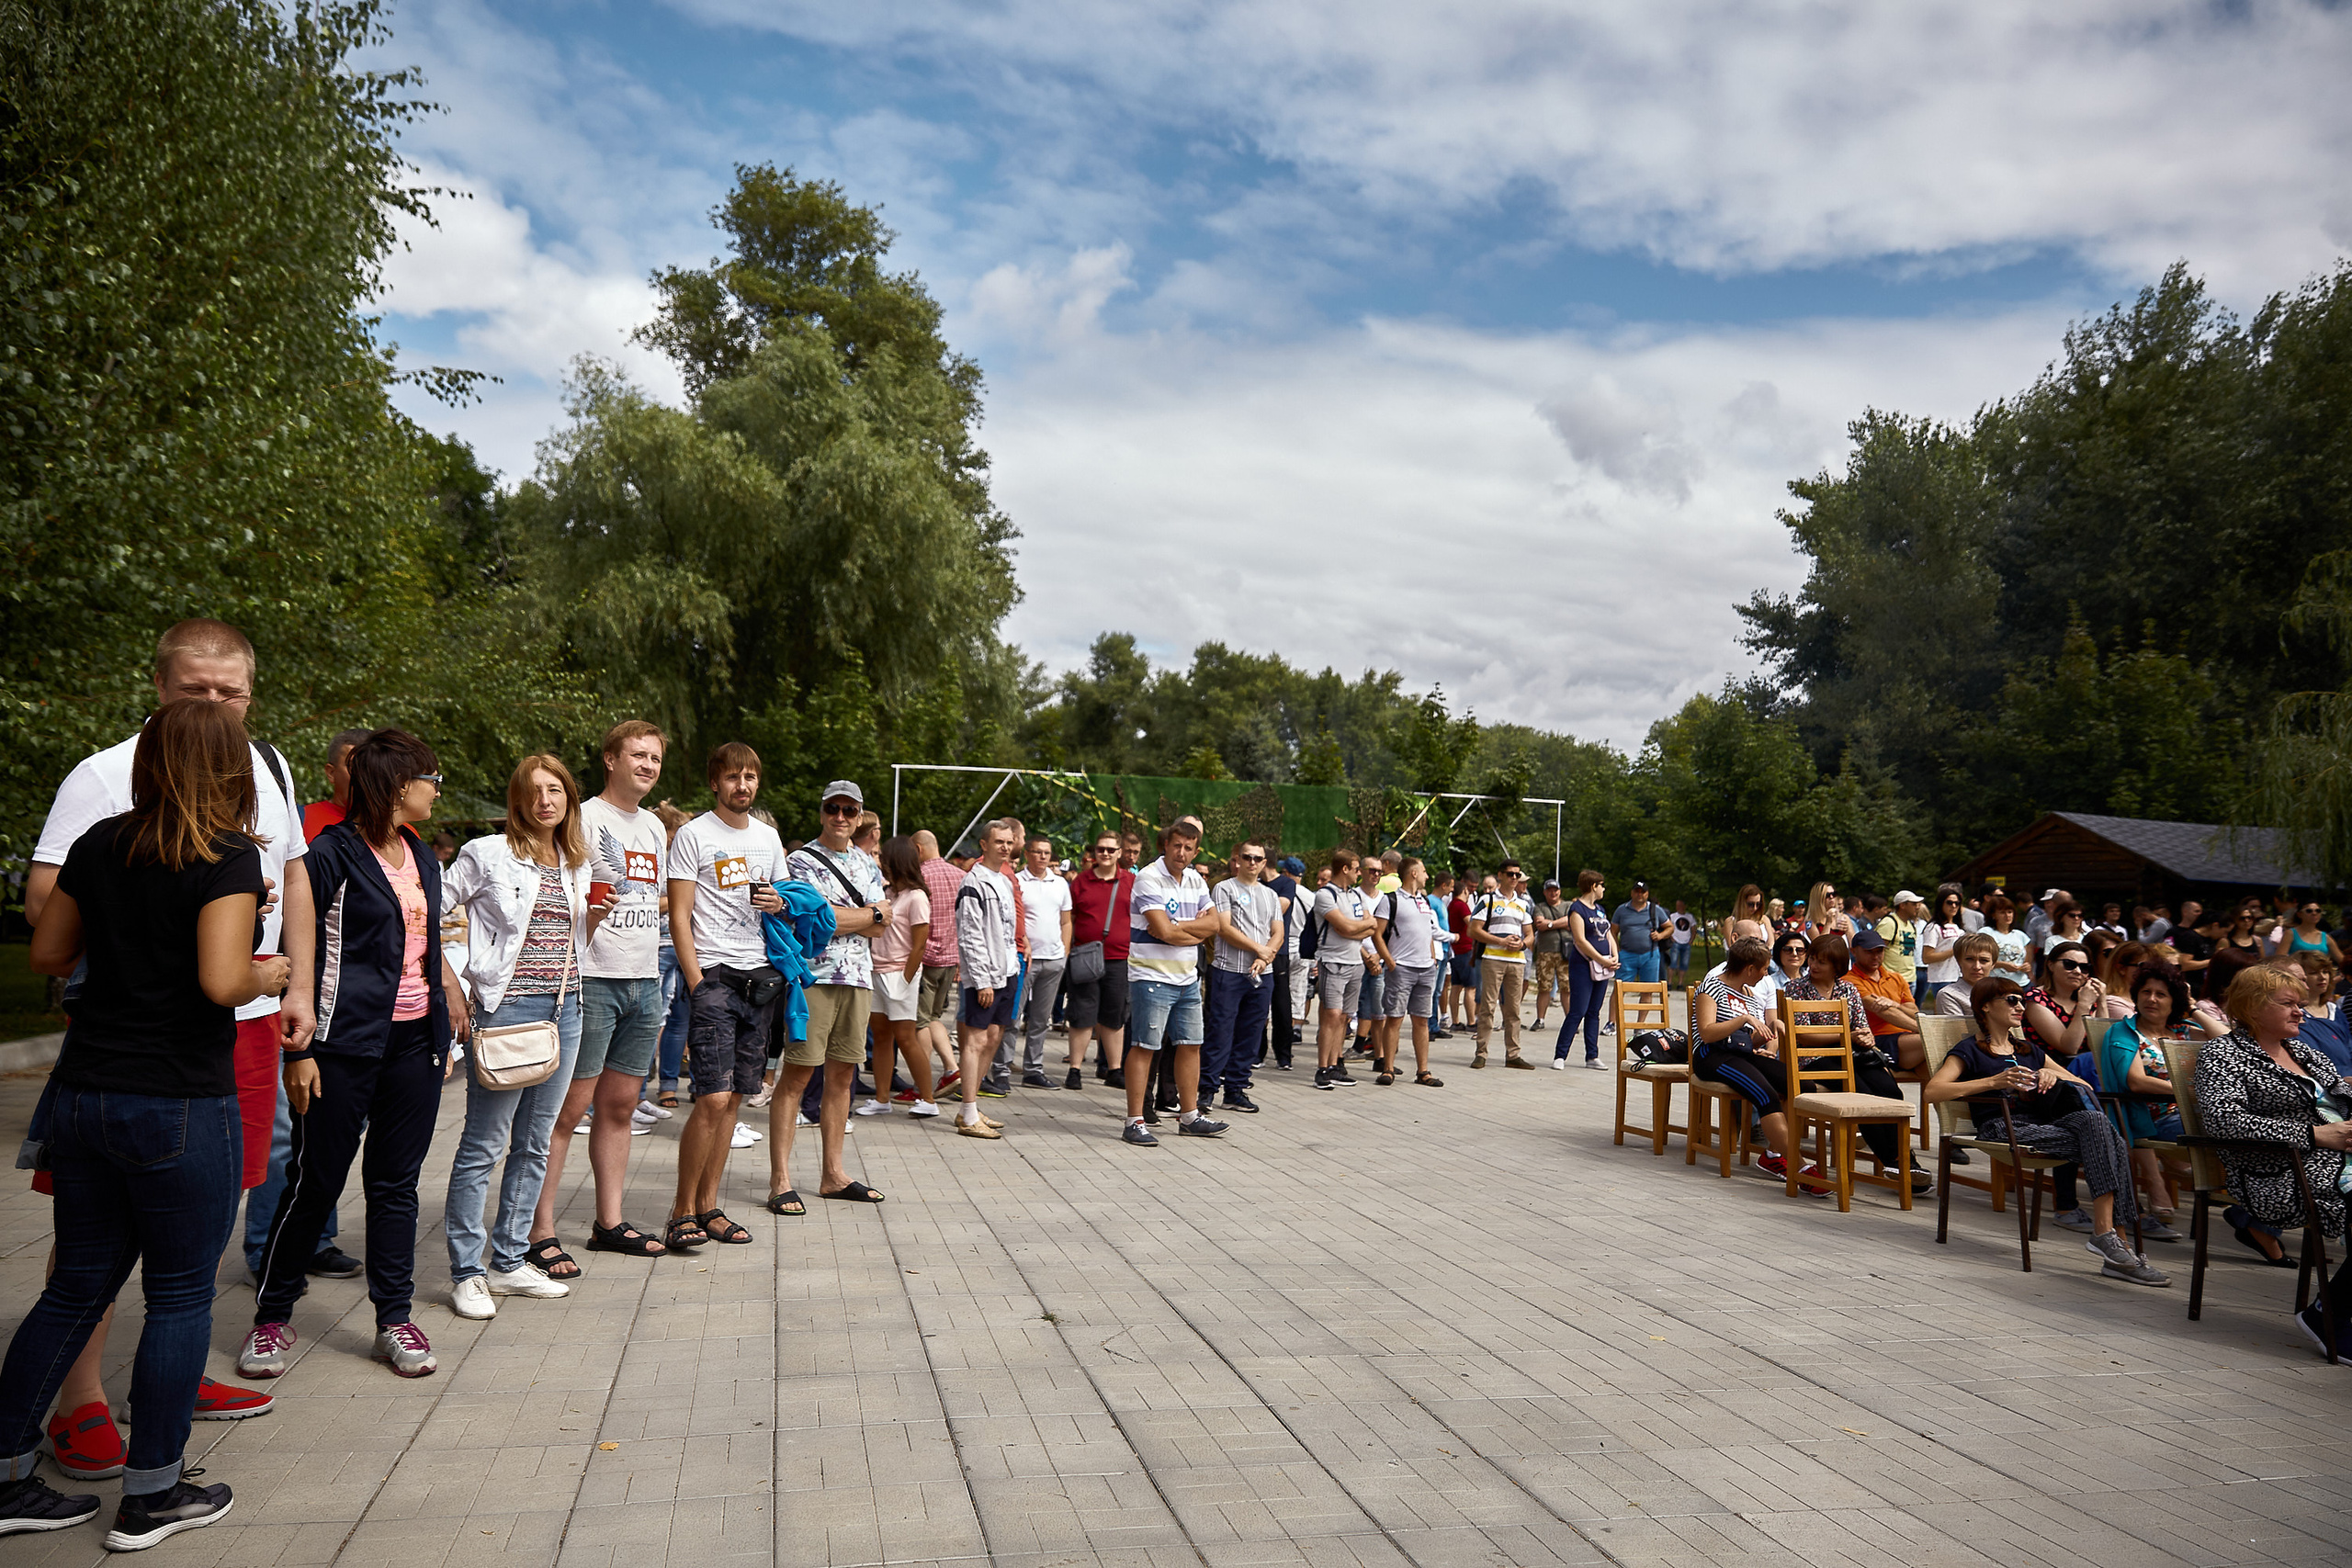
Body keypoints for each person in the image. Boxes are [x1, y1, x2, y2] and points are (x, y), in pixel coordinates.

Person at [1, 700, 290, 1546]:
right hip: (179, 1101)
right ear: (233, 767)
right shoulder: (229, 855)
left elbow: (50, 954)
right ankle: (154, 1493)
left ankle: (11, 1476)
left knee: (75, 1284)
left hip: (84, 1093)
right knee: (178, 1297)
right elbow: (219, 981)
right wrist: (268, 968)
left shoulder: (99, 844)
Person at [245, 728, 471, 1382]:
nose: (435, 788)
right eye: (432, 777)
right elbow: (301, 947)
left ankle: (392, 1317)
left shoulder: (421, 855)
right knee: (317, 1180)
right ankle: (271, 1317)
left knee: (395, 1185)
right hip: (342, 1044)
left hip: (413, 1043)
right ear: (398, 784)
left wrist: (442, 1020)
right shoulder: (330, 853)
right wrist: (302, 1050)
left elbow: (424, 950)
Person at [438, 755, 601, 1321]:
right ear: (517, 801)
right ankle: (467, 1271)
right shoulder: (487, 853)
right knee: (483, 1145)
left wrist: (594, 920)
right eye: (533, 792)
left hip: (568, 1009)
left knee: (537, 1141)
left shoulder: (577, 860)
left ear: (569, 799)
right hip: (507, 1010)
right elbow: (425, 911)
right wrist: (452, 984)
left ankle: (509, 1260)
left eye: (555, 790)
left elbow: (570, 939)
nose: (545, 802)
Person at [532, 720, 675, 1280]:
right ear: (610, 759)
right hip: (590, 978)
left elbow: (654, 900)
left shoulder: (656, 828)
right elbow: (557, 893)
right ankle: (538, 1229)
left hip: (644, 979)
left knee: (618, 1109)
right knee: (565, 1112)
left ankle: (607, 1223)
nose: (647, 765)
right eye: (637, 755)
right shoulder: (582, 816)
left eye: (655, 759)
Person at [1926, 980, 2168, 1286]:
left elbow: (2084, 1085)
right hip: (2003, 1126)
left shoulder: (2028, 1049)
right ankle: (2118, 1246)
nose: (2019, 1006)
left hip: (2043, 1125)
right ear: (1986, 1006)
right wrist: (1994, 1082)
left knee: (2098, 1128)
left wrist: (2052, 1072)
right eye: (2012, 1000)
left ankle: (2108, 1237)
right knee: (2111, 1142)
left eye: (2021, 1001)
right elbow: (1933, 1092)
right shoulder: (1970, 1050)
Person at [2195, 963, 2352, 1354]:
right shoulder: (2224, 1053)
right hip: (2279, 1172)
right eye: (2288, 1004)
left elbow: (2340, 1097)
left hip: (2335, 1158)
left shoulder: (2303, 1052)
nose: (2300, 1011)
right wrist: (2314, 1134)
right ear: (2252, 1006)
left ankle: (2331, 1310)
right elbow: (2224, 1121)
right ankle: (2328, 1315)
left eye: (2300, 1003)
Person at [767, 777, 890, 1193]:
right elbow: (820, 921)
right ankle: (780, 1180)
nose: (840, 817)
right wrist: (866, 915)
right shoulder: (800, 861)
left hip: (858, 978)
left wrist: (856, 917)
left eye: (849, 810)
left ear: (858, 817)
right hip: (812, 979)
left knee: (842, 1078)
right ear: (822, 812)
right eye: (832, 809)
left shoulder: (868, 863)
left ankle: (832, 1175)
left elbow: (883, 923)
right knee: (798, 1076)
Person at [1782, 934, 1931, 1192]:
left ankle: (1905, 1160)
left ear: (1838, 966)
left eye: (1822, 962)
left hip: (1852, 1056)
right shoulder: (1796, 988)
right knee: (1862, 1094)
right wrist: (1847, 1036)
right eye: (1813, 959)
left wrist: (1864, 1036)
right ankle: (1896, 1162)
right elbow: (1803, 1034)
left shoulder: (1847, 990)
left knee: (1890, 1091)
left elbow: (1862, 1027)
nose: (1814, 966)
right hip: (1815, 1059)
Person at [2096, 963, 2229, 1237]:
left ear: (2174, 1001)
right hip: (2154, 1117)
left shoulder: (2182, 1030)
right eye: (2146, 992)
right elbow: (2136, 1081)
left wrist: (2192, 1008)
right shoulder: (2125, 1032)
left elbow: (2230, 1042)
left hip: (2193, 1113)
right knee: (2235, 1129)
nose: (2151, 999)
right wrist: (2187, 1092)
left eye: (2161, 994)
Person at [1119, 820, 1228, 1142]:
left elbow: (1215, 924)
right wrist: (1188, 931)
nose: (1181, 853)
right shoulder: (1148, 877)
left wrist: (1178, 929)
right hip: (1151, 976)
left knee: (1191, 1045)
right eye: (1177, 845)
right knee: (1145, 1047)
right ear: (1166, 845)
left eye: (1188, 848)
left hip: (1187, 977)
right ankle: (1134, 1121)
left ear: (1196, 851)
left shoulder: (1195, 879)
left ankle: (1190, 1115)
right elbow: (1162, 931)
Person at [1690, 938, 1825, 1196]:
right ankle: (1799, 1168)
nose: (1766, 974)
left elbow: (1748, 1040)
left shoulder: (1748, 992)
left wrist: (1771, 1031)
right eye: (1763, 968)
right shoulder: (1711, 989)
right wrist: (1744, 1018)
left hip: (1742, 1054)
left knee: (1800, 1085)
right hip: (1712, 1056)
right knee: (1766, 1095)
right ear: (1750, 968)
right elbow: (1707, 1033)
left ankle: (1773, 1153)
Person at [946, 818, 1021, 1139]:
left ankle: (970, 1107)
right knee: (976, 1040)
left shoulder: (1003, 879)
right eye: (998, 841)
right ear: (984, 844)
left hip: (1008, 969)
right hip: (985, 974)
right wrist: (981, 979)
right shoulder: (973, 883)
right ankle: (968, 1111)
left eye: (1009, 841)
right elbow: (970, 935)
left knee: (994, 1037)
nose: (1004, 846)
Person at [859, 835, 936, 1120]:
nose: (880, 863)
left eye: (885, 859)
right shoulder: (887, 894)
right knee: (880, 1037)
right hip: (876, 970)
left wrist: (905, 979)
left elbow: (919, 945)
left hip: (899, 975)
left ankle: (928, 1098)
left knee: (906, 1037)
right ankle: (882, 1098)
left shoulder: (916, 897)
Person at [1202, 840, 1281, 1111]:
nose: (1252, 862)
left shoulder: (1270, 895)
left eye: (1258, 858)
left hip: (1262, 973)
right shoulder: (1224, 888)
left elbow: (1278, 931)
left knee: (1251, 1034)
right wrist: (1259, 948)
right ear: (1237, 859)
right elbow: (1223, 927)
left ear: (1264, 863)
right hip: (1229, 971)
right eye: (1246, 857)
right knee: (1220, 1032)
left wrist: (1264, 955)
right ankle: (1207, 1089)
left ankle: (1235, 1088)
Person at [1374, 856, 1446, 1087]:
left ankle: (1423, 1071)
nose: (1427, 876)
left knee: (1422, 1021)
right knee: (1394, 1018)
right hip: (1401, 968)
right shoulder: (1391, 900)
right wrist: (1389, 961)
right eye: (1424, 871)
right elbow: (1377, 933)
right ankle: (1388, 1068)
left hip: (1426, 968)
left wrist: (1433, 957)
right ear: (1413, 873)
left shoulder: (1424, 900)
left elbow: (1428, 931)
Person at [1311, 851, 1378, 1088]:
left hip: (1355, 962)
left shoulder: (1355, 896)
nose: (1360, 873)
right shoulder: (1325, 895)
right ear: (1345, 869)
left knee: (1344, 1017)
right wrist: (1357, 927)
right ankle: (1322, 1068)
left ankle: (1335, 1064)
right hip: (1334, 960)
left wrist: (1356, 928)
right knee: (1331, 1014)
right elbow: (1343, 926)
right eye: (1357, 868)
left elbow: (1370, 927)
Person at [1013, 835, 1073, 1089]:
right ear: (1027, 854)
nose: (1042, 857)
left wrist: (1064, 952)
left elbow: (1066, 920)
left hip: (1053, 959)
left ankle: (1033, 1070)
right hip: (1024, 959)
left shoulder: (1060, 883)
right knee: (1012, 1018)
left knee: (1040, 1020)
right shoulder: (1016, 880)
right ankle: (1001, 1067)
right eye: (1037, 852)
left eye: (1046, 853)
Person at [1469, 861, 1537, 1069]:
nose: (1514, 878)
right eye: (1510, 874)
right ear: (1500, 875)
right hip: (1493, 959)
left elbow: (1530, 934)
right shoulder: (1487, 899)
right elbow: (1473, 930)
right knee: (1488, 1007)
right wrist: (1500, 941)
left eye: (1517, 875)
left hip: (1516, 962)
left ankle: (1513, 1054)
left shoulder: (1523, 903)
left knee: (1514, 1009)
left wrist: (1522, 944)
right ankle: (1481, 1053)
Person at [913, 830, 965, 1100]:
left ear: (919, 849)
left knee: (920, 1022)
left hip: (925, 958)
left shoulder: (920, 877)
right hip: (950, 959)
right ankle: (952, 1069)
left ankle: (921, 1085)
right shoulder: (960, 875)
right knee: (933, 1018)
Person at [1552, 869, 1617, 1068]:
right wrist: (1601, 959)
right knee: (1577, 1010)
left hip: (1603, 965)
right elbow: (1580, 940)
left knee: (1594, 1011)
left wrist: (1614, 955)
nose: (1604, 889)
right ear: (1593, 886)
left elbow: (1608, 934)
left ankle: (1592, 1056)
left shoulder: (1600, 910)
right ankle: (1560, 1055)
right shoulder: (1577, 909)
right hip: (1583, 965)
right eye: (1601, 885)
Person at [1846, 926, 1924, 1070]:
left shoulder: (1896, 978)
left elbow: (1914, 1012)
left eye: (1879, 951)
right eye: (1869, 952)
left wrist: (1896, 1004)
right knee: (1932, 1042)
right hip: (1875, 1041)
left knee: (1931, 1063)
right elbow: (1881, 1010)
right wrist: (1925, 1031)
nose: (1875, 956)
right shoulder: (1849, 981)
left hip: (1904, 1039)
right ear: (1854, 951)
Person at [1270, 856, 1314, 1068]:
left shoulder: (1279, 891)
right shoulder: (1309, 896)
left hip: (1283, 944)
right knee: (1296, 992)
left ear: (1286, 872)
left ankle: (1272, 1036)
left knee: (1276, 995)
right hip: (1302, 948)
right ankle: (1295, 1030)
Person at [300, 728, 370, 841]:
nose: (364, 776)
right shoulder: (301, 823)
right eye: (354, 767)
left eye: (371, 767)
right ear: (331, 773)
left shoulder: (402, 833)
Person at [1529, 879, 1572, 1028]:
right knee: (1544, 987)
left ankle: (1570, 1020)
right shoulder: (1539, 907)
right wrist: (1560, 923)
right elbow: (1540, 924)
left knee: (1567, 987)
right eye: (1550, 890)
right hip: (1545, 952)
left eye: (1555, 890)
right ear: (1545, 892)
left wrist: (1550, 924)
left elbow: (1570, 921)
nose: (1553, 893)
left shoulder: (1568, 906)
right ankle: (1540, 1019)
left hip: (1566, 952)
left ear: (1560, 891)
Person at [1611, 880, 1668, 987]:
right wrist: (1617, 951)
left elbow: (1670, 927)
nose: (1639, 894)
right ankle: (1616, 1005)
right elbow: (1613, 932)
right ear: (1632, 893)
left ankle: (1645, 1005)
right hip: (1626, 955)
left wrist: (1660, 935)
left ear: (1647, 894)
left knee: (1648, 990)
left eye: (1643, 892)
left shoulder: (1655, 909)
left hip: (1650, 955)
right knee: (1620, 989)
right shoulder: (1621, 910)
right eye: (1637, 891)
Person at [1917, 887, 1967, 1005]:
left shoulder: (1959, 928)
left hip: (1959, 976)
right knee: (1944, 1015)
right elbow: (1927, 957)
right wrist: (1954, 950)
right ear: (1941, 904)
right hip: (1941, 978)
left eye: (1957, 903)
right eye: (1949, 902)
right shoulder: (1933, 927)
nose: (1954, 906)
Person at [1935, 931, 2000, 1018]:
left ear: (1993, 964)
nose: (1977, 967)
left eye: (1984, 960)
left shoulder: (2002, 993)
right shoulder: (1949, 995)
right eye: (1969, 959)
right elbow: (1958, 1030)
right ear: (1959, 962)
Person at [2268, 897, 2345, 964]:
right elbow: (2279, 960)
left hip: (2320, 978)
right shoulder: (2290, 934)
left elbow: (2342, 961)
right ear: (2299, 914)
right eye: (2309, 911)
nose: (2314, 913)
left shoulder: (2326, 937)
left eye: (2318, 911)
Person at [1879, 890, 1925, 997]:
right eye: (1913, 904)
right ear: (1902, 905)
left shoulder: (1910, 924)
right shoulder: (1889, 923)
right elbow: (1878, 950)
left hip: (1910, 978)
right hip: (1892, 979)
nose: (1918, 907)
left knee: (1911, 1011)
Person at [1984, 893, 2032, 987]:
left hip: (2022, 983)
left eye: (2010, 912)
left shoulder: (2020, 935)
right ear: (1993, 915)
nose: (2007, 915)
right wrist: (2002, 965)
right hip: (1998, 983)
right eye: (2002, 912)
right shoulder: (1986, 932)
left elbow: (2027, 960)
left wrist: (2026, 967)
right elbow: (1981, 959)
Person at [1723, 885, 1769, 949]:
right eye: (1750, 904)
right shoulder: (1730, 921)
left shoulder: (1764, 919)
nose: (1755, 908)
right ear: (1742, 903)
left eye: (1758, 904)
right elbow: (1732, 946)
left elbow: (1771, 943)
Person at [1667, 899, 1696, 985]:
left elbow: (1694, 929)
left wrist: (1691, 940)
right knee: (1672, 963)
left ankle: (1680, 983)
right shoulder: (1672, 916)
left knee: (1684, 964)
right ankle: (1670, 983)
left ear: (1684, 906)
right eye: (1677, 905)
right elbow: (1668, 927)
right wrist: (1671, 938)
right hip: (1675, 942)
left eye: (1680, 905)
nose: (1678, 907)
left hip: (1686, 943)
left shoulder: (1690, 917)